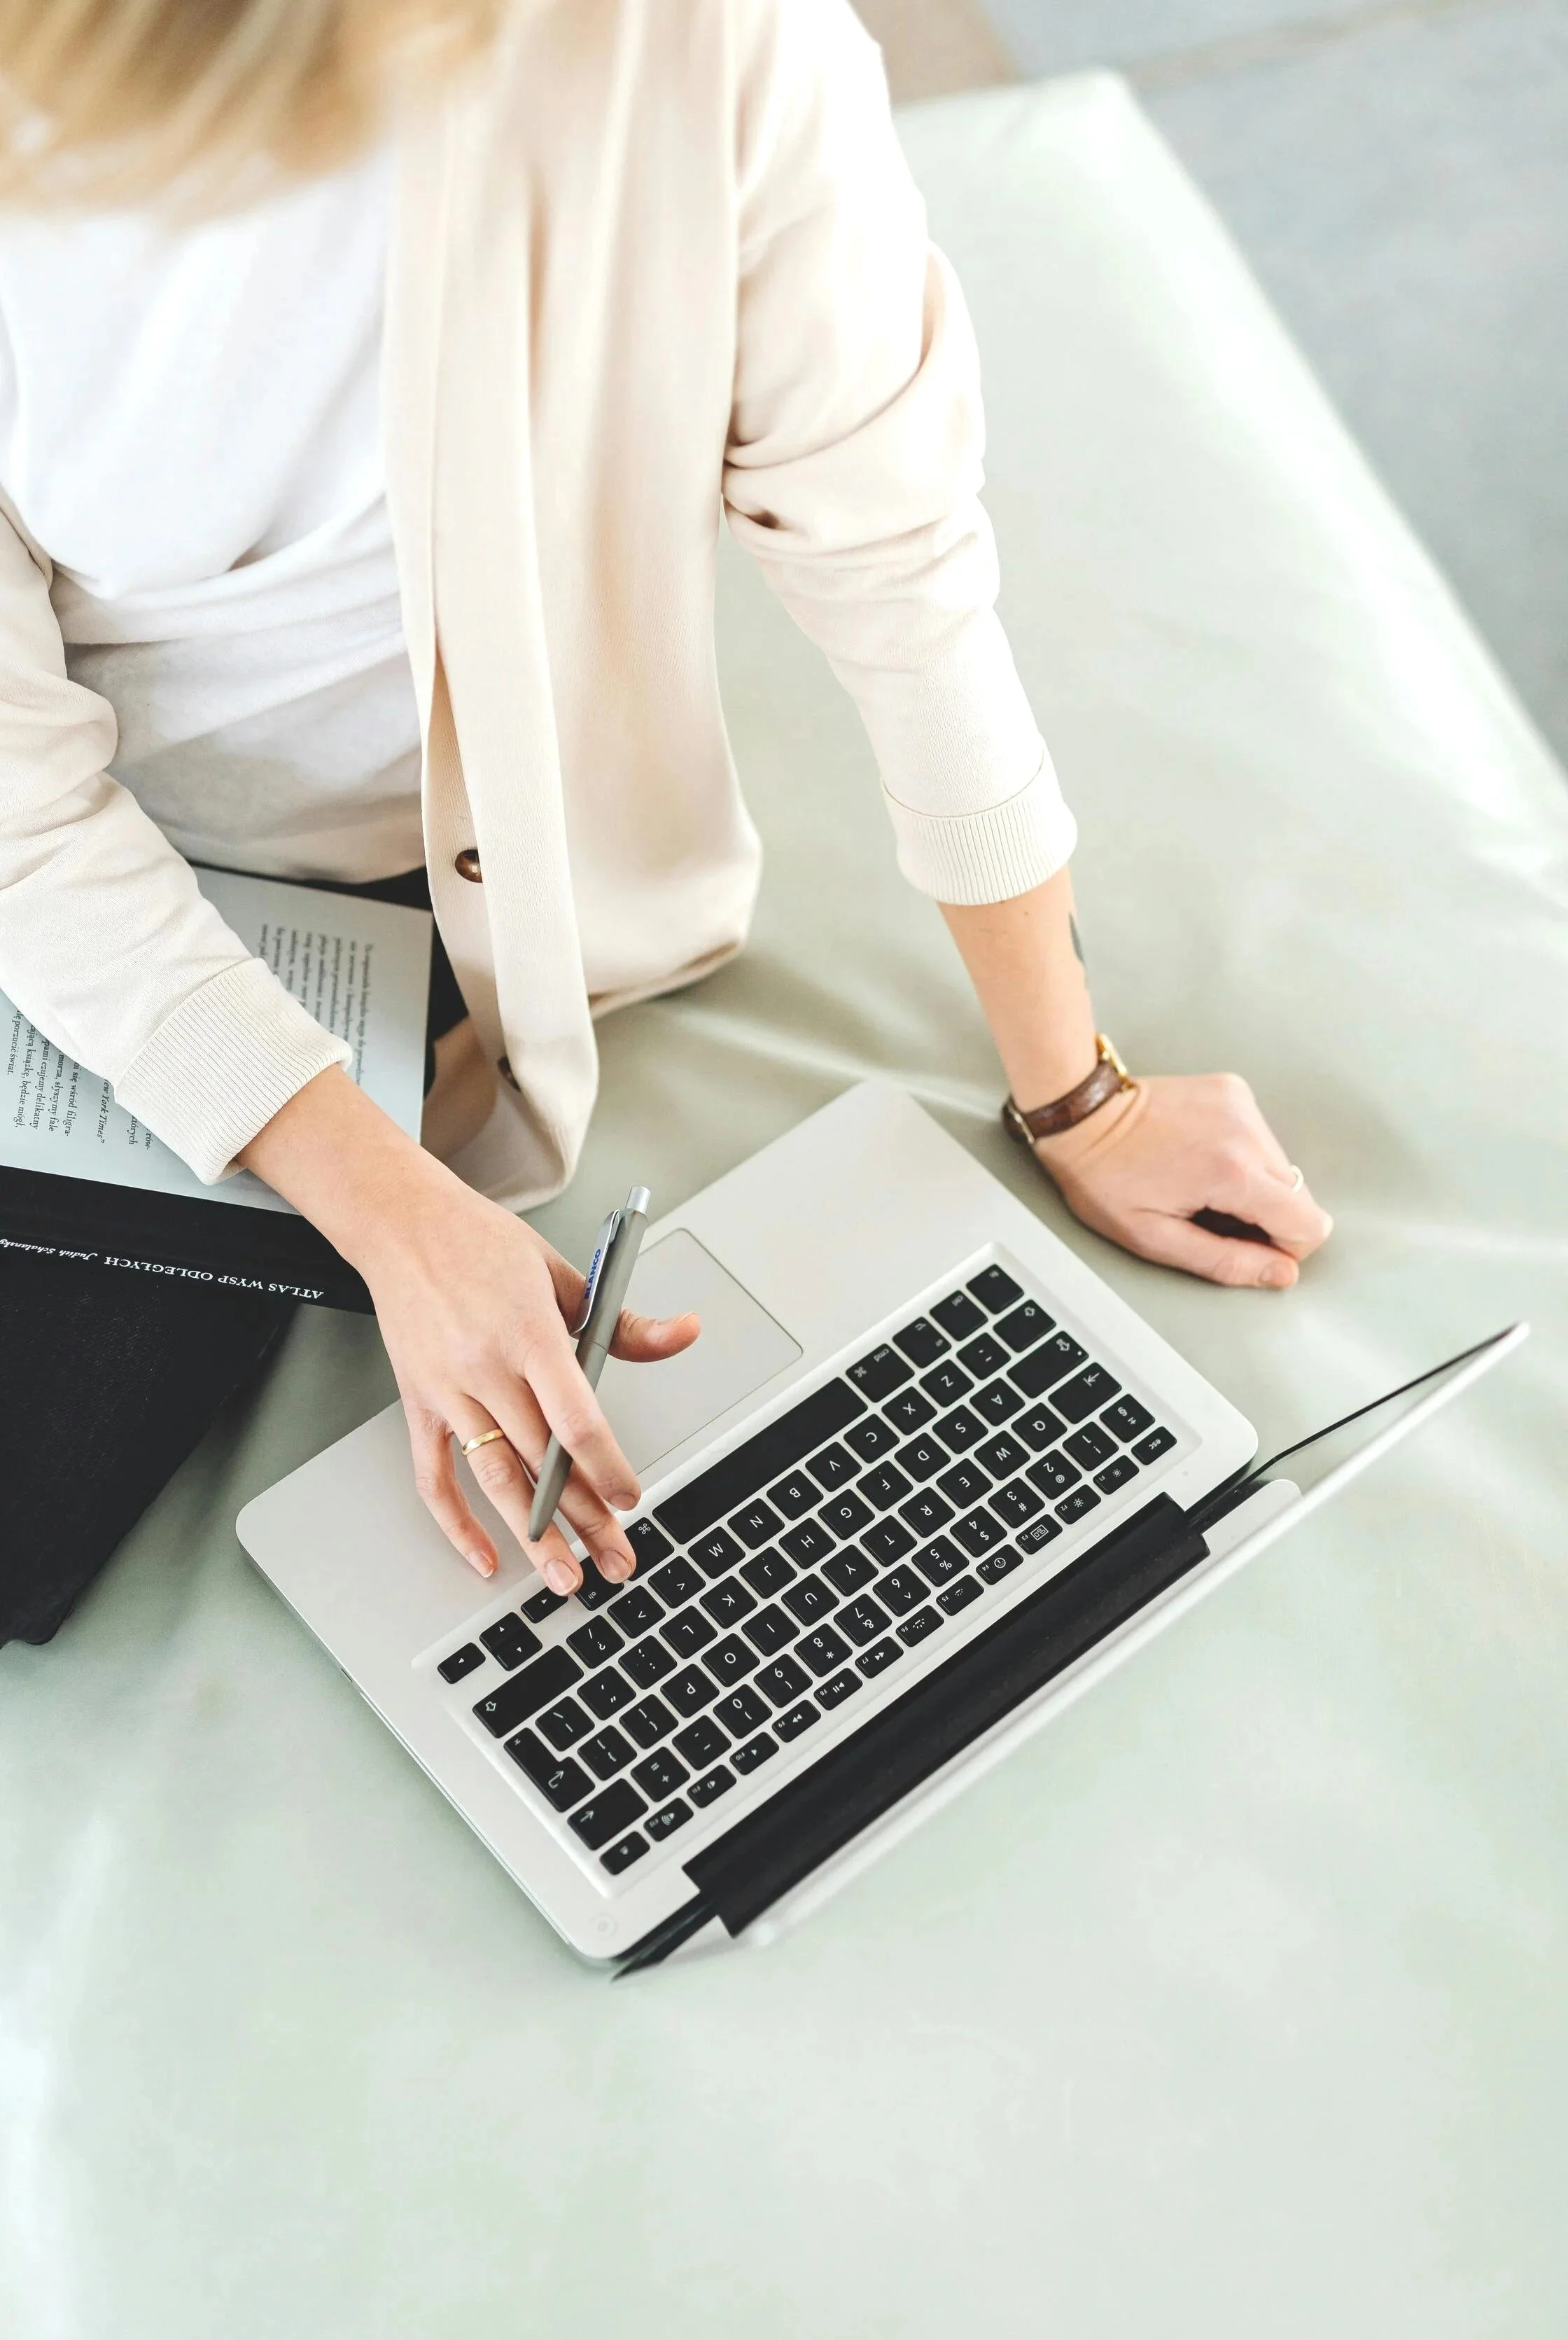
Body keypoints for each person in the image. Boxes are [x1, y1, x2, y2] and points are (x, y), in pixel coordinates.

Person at [0, 0, 1331, 1643]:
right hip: (85, 875)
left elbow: (891, 557)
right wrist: (392, 1210)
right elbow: (19, 808)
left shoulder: (700, 47)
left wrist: (1079, 1093)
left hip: (413, 893)